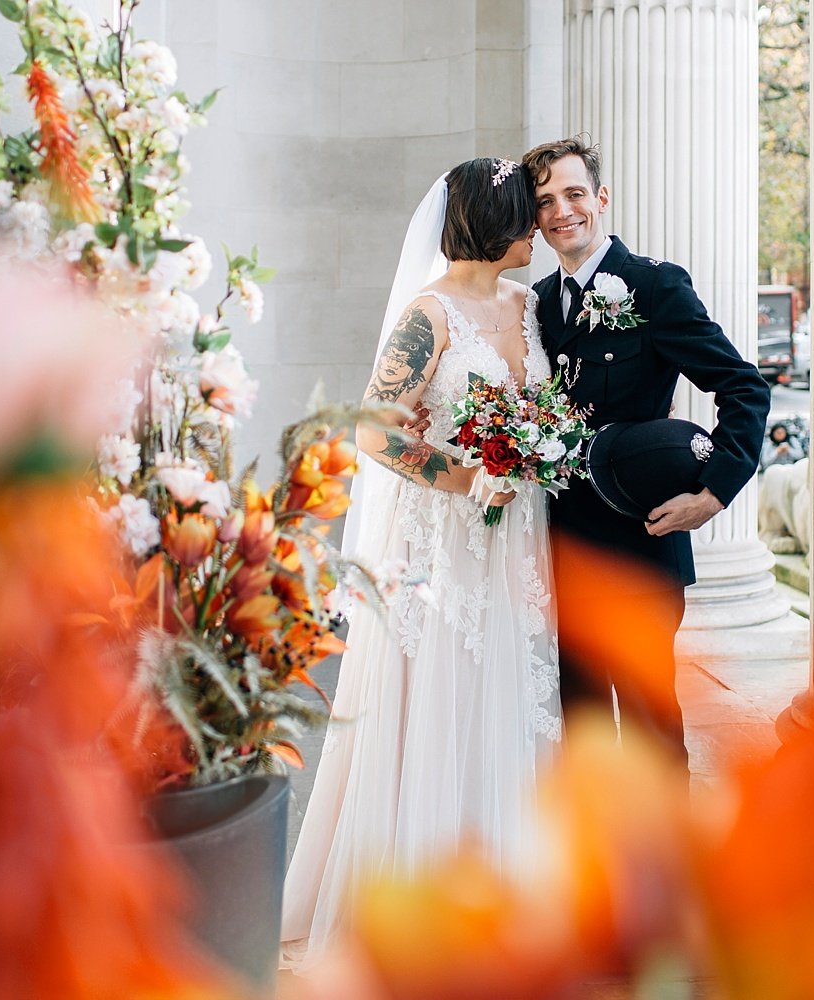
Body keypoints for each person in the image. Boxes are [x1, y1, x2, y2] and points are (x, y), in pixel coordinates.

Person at [279, 157, 561, 971]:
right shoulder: (428, 314)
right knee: (448, 690)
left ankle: (513, 894)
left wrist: (537, 453)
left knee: (515, 692)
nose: (538, 226)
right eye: (525, 212)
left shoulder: (525, 303)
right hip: (446, 540)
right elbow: (373, 431)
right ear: (494, 220)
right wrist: (467, 475)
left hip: (516, 536)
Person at [525, 135, 769, 770]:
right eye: (546, 200)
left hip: (641, 546)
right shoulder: (537, 306)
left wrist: (715, 492)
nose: (561, 211)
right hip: (565, 549)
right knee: (581, 732)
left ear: (600, 198)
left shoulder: (656, 286)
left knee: (649, 727)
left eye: (574, 194)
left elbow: (743, 387)